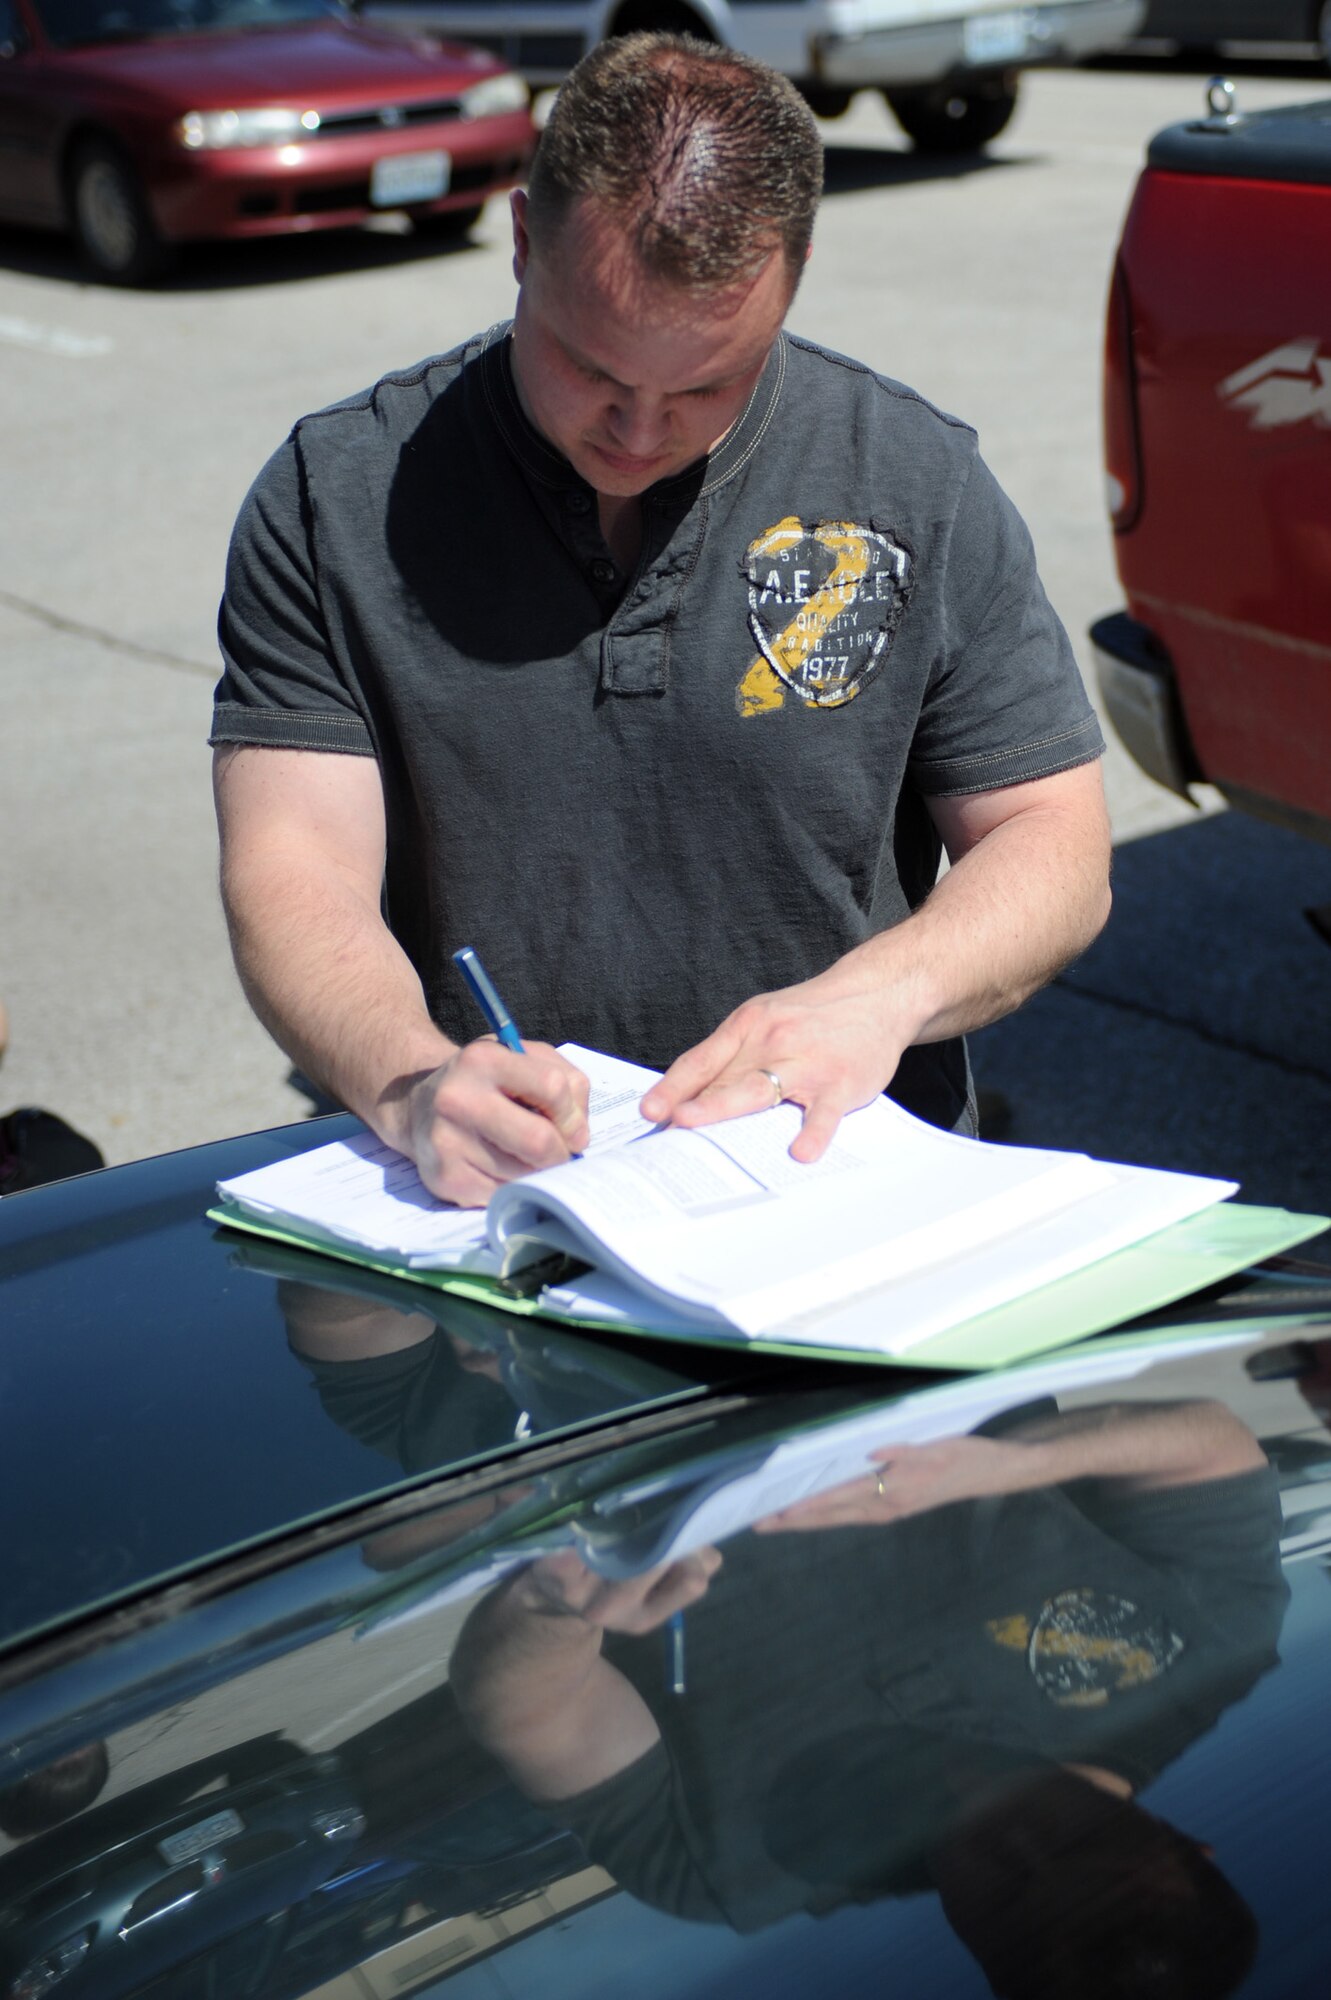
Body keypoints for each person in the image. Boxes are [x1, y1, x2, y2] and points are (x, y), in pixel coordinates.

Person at [211, 34, 1111, 1210]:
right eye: (590, 369)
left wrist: (880, 997)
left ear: (790, 281)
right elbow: (294, 865)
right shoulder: (335, 497)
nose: (637, 433)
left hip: (839, 1187)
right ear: (522, 241)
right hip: (499, 1203)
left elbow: (1049, 838)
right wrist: (416, 1081)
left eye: (702, 387)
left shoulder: (911, 479)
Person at [451, 1397, 1286, 1998]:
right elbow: (1206, 1445)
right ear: (1185, 1845)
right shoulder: (1216, 1649)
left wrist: (553, 1606)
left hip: (575, 1413)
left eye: (1000, 1891)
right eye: (1078, 1845)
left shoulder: (730, 1874)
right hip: (868, 1306)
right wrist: (1016, 1462)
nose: (1016, 1838)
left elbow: (532, 1718)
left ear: (968, 1938)